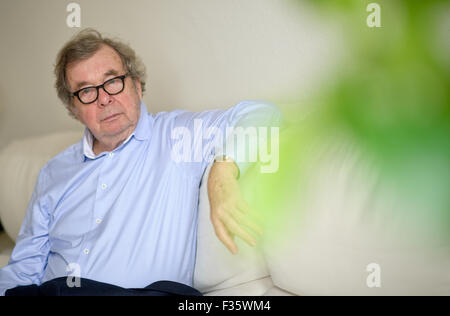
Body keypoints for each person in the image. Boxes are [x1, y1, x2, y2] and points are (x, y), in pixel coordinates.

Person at [0, 29, 282, 295]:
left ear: (136, 85)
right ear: (74, 108)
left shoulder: (177, 137)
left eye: (112, 82)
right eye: (86, 91)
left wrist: (222, 173)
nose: (104, 100)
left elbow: (262, 116)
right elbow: (23, 269)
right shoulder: (54, 171)